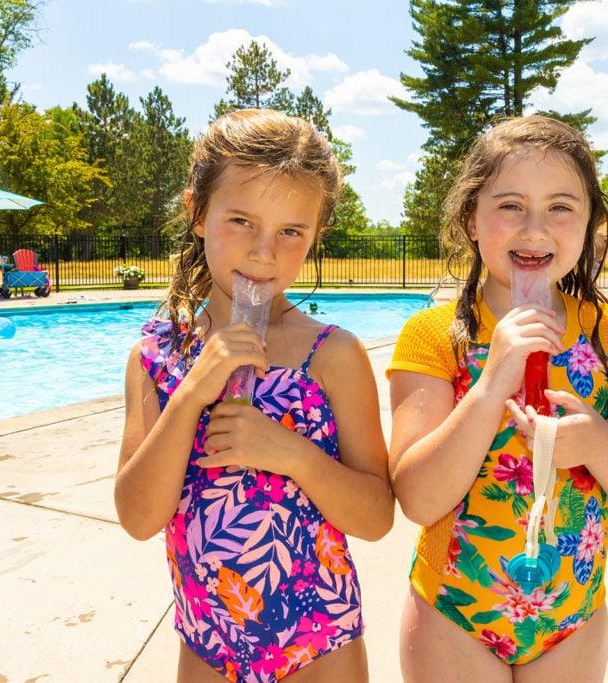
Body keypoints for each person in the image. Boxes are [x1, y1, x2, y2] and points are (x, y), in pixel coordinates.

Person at [386, 115, 608, 682]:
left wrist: (596, 440)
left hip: (574, 615)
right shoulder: (433, 335)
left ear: (591, 222)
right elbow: (418, 500)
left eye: (562, 207)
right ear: (472, 219)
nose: (535, 229)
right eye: (511, 205)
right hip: (455, 612)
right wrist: (492, 381)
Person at [114, 109, 394, 682]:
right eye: (241, 220)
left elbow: (376, 517)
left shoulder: (334, 356)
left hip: (321, 643)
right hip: (206, 647)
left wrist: (292, 455)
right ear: (197, 213)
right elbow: (139, 517)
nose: (265, 252)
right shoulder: (156, 359)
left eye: (291, 231)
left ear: (315, 236)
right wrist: (191, 392)